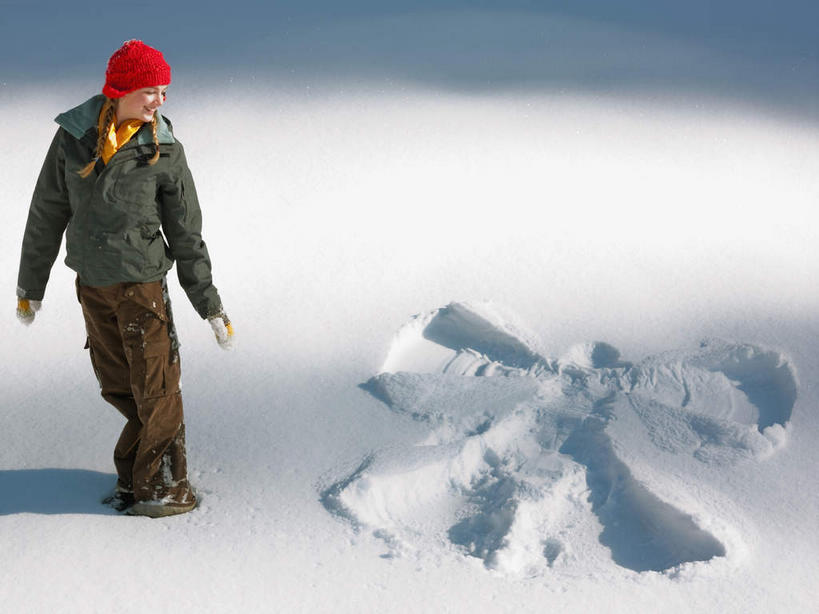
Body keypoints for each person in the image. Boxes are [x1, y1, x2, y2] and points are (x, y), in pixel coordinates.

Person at [15, 40, 233, 518]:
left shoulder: (165, 149)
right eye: (151, 90)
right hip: (93, 287)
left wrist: (209, 303)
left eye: (164, 91)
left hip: (142, 287)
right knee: (119, 387)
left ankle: (165, 490)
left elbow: (186, 232)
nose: (160, 100)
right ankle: (134, 481)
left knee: (157, 388)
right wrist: (30, 287)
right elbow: (46, 212)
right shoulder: (74, 137)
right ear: (121, 89)